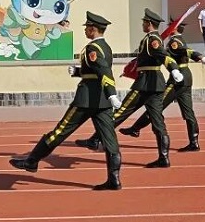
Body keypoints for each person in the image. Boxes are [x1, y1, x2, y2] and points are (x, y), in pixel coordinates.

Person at [10, 11, 124, 190]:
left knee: (60, 131)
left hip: (86, 100)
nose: (85, 30)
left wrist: (112, 93)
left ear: (93, 29)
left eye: (87, 27)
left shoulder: (92, 49)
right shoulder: (106, 47)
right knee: (110, 140)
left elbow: (104, 72)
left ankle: (32, 161)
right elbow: (96, 70)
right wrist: (79, 72)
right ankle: (114, 179)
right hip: (102, 102)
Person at [76, 8, 180, 168]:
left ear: (149, 23)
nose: (143, 25)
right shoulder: (152, 38)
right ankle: (163, 157)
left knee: (120, 112)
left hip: (145, 83)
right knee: (158, 121)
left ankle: (95, 139)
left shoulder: (152, 39)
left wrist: (173, 68)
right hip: (156, 84)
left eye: (144, 22)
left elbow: (162, 55)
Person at [119, 18, 205, 152]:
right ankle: (194, 141)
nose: (168, 27)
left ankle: (136, 128)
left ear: (175, 28)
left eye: (170, 26)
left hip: (178, 78)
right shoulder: (179, 40)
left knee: (157, 105)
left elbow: (187, 51)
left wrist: (200, 57)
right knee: (188, 112)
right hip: (186, 77)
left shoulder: (175, 42)